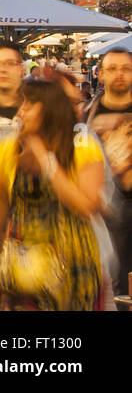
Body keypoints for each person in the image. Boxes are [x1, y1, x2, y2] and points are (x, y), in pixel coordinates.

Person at [0, 78, 107, 311]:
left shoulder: (82, 146)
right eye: (21, 104)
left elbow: (85, 205)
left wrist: (44, 157)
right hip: (23, 270)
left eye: (29, 104)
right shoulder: (9, 149)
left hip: (73, 270)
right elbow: (1, 207)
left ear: (50, 110)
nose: (21, 112)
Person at [84, 47, 132, 308]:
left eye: (126, 68)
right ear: (100, 74)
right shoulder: (86, 116)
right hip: (104, 212)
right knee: (112, 285)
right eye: (112, 69)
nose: (119, 75)